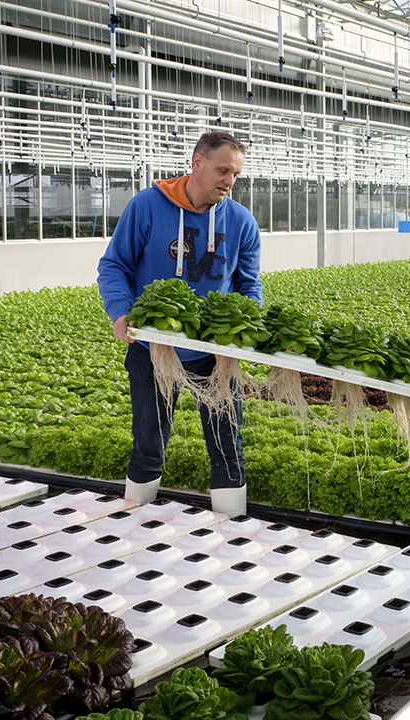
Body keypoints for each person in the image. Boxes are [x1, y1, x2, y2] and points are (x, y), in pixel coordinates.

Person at [97, 131, 262, 517]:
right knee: (149, 441)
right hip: (153, 349)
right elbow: (114, 265)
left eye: (235, 174)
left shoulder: (240, 221)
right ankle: (132, 520)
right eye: (223, 170)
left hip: (215, 354)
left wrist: (247, 328)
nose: (229, 181)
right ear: (197, 163)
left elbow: (248, 284)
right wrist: (121, 312)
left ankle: (233, 527)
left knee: (227, 441)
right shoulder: (148, 207)